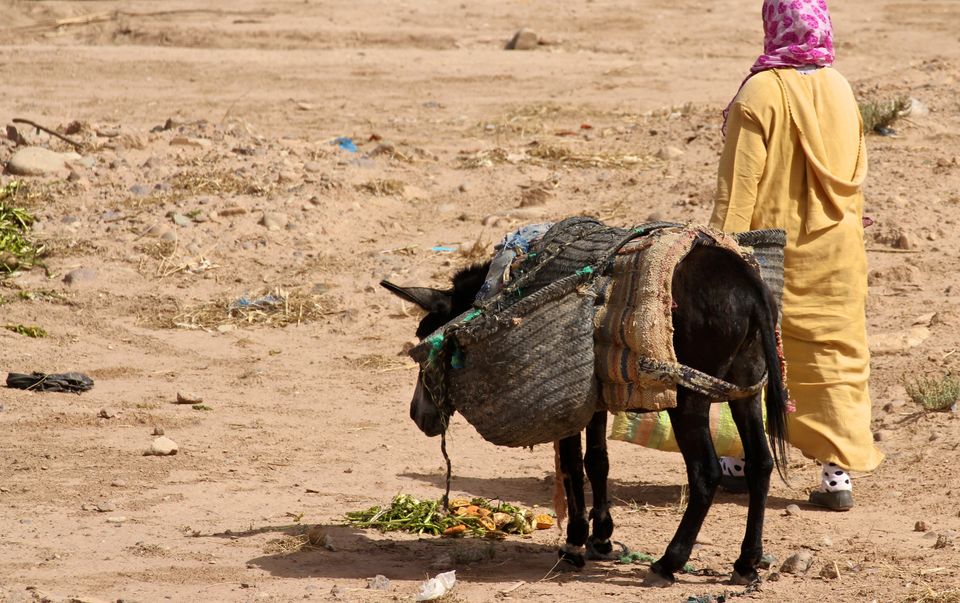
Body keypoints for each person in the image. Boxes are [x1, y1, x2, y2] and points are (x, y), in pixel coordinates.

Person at [710, 0, 884, 510]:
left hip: (772, 253)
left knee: (750, 351)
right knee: (836, 356)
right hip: (838, 250)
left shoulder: (761, 91)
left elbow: (738, 189)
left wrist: (718, 253)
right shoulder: (841, 87)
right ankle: (837, 476)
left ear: (773, 24)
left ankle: (740, 462)